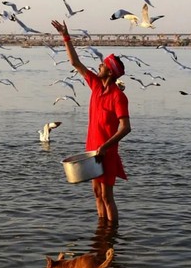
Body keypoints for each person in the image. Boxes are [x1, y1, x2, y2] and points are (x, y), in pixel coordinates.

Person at [51, 19, 131, 223]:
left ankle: (111, 236)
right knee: (96, 194)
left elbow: (125, 128)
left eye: (104, 64)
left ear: (110, 72)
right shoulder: (96, 85)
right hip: (92, 150)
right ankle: (101, 233)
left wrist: (105, 146)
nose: (100, 65)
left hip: (107, 152)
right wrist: (65, 36)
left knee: (107, 196)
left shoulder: (118, 96)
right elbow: (75, 63)